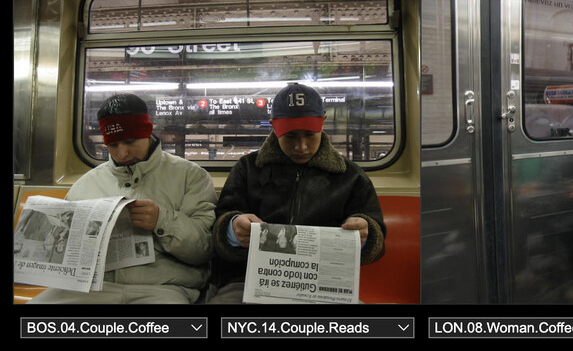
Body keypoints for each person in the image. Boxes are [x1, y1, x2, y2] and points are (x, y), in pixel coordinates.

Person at [28, 93, 217, 304]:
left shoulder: (190, 176)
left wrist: (162, 221)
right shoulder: (87, 184)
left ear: (147, 133)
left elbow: (205, 250)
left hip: (162, 288)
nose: (122, 153)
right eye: (113, 145)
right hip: (93, 287)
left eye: (130, 141)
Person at [209, 82, 386, 303]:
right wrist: (233, 230)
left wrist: (363, 235)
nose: (301, 147)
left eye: (310, 135)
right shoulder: (248, 169)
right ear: (274, 128)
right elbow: (218, 227)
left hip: (325, 284)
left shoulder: (350, 177)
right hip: (248, 280)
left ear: (322, 125)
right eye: (291, 136)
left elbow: (376, 244)